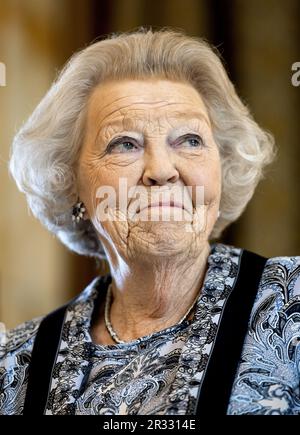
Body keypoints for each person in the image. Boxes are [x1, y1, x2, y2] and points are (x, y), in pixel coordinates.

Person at [1, 28, 299, 416]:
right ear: (71, 183)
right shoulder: (14, 366)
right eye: (124, 143)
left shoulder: (291, 304)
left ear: (221, 170)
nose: (161, 170)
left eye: (190, 140)